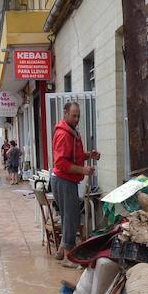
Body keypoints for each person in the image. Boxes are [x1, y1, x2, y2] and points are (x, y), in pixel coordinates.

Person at [51, 101, 100, 267]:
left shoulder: (71, 132)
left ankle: (60, 252)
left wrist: (88, 155)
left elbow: (73, 156)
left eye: (78, 115)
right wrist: (83, 170)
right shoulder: (64, 134)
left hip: (65, 180)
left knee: (67, 216)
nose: (77, 118)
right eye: (74, 115)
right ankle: (68, 257)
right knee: (71, 217)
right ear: (65, 114)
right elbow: (61, 163)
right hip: (64, 180)